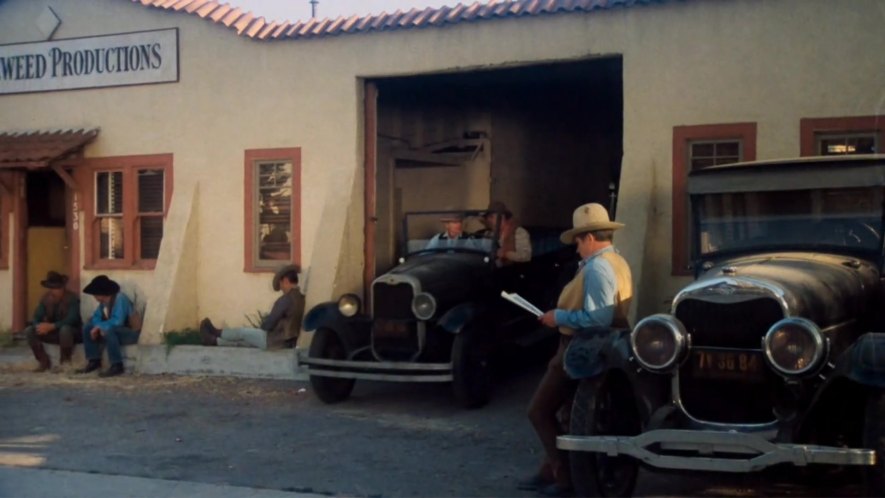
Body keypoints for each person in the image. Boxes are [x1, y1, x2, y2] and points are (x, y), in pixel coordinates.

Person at [522, 202, 633, 497]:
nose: (576, 249)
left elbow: (598, 319)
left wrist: (558, 317)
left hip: (582, 346)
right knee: (567, 413)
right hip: (598, 345)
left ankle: (563, 476)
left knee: (539, 410)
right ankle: (550, 471)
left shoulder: (598, 268)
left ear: (590, 239)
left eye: (578, 242)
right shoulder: (616, 261)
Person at [199, 265, 305, 350]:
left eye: (281, 284)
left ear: (285, 280)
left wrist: (261, 328)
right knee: (245, 342)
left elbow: (269, 324)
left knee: (242, 332)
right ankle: (214, 341)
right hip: (287, 343)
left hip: (274, 341)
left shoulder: (285, 300)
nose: (281, 288)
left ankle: (218, 333)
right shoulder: (301, 298)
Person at [76, 275, 140, 378]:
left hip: (130, 332)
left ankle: (116, 364)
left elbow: (118, 321)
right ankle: (94, 360)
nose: (94, 296)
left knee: (110, 330)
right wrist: (97, 327)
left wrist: (100, 327)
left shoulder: (120, 299)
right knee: (88, 327)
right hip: (114, 331)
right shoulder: (103, 303)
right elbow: (95, 318)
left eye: (95, 293)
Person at [23, 271, 82, 372]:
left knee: (65, 329)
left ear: (63, 287)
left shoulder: (72, 298)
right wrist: (41, 326)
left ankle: (64, 362)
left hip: (72, 332)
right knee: (29, 330)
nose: (54, 291)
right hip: (53, 332)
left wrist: (53, 326)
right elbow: (37, 317)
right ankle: (43, 361)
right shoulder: (45, 298)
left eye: (57, 288)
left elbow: (72, 319)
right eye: (52, 288)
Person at [481, 201, 531, 265]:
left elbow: (526, 256)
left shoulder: (519, 233)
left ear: (502, 217)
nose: (489, 220)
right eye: (488, 217)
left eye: (491, 217)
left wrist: (506, 254)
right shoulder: (490, 234)